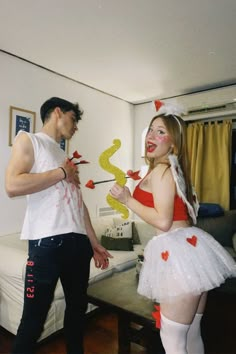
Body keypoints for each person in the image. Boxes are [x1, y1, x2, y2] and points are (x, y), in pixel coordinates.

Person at [109, 101, 236, 354]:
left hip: (176, 251)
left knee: (173, 339)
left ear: (174, 142)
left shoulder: (162, 170)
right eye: (151, 130)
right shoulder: (173, 169)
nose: (151, 136)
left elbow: (163, 221)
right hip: (191, 251)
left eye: (160, 131)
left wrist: (127, 199)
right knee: (190, 333)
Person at [5, 97, 112, 354]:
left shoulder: (64, 154)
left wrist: (94, 242)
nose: (75, 126)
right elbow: (12, 185)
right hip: (47, 244)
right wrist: (62, 173)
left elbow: (78, 204)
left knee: (77, 313)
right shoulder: (29, 140)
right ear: (57, 112)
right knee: (34, 320)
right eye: (73, 119)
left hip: (79, 244)